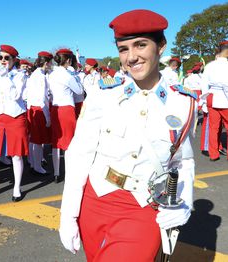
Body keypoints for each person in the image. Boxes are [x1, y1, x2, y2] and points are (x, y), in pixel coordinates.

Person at [59, 9, 196, 261]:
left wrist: (184, 201)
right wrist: (68, 214)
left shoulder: (183, 102)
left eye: (141, 45)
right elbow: (79, 154)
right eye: (123, 49)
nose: (131, 57)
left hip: (144, 206)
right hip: (95, 199)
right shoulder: (104, 94)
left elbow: (183, 160)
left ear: (161, 46)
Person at [0, 44, 28, 202]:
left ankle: (17, 187)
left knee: (16, 156)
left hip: (16, 117)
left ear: (14, 59)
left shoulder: (20, 75)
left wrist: (6, 78)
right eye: (0, 58)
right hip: (0, 117)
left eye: (6, 58)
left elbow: (16, 95)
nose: (2, 61)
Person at [48, 48, 84, 183]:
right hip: (66, 109)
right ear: (68, 60)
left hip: (55, 108)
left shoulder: (51, 74)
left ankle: (56, 173)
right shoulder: (68, 75)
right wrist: (76, 76)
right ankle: (69, 173)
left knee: (56, 142)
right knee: (69, 142)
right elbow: (79, 91)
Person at [26, 51, 53, 175]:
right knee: (37, 141)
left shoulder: (35, 74)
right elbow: (41, 98)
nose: (51, 65)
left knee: (33, 139)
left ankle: (32, 162)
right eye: (50, 62)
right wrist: (47, 117)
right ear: (46, 63)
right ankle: (37, 166)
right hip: (39, 108)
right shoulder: (40, 75)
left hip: (32, 108)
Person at [201, 40, 228, 161]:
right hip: (225, 98)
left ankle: (213, 154)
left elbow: (204, 85)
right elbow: (226, 85)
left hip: (212, 97)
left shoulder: (209, 65)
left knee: (213, 128)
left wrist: (204, 101)